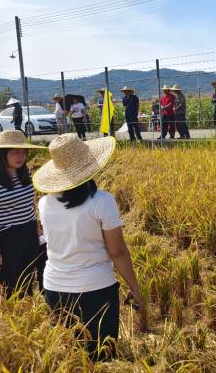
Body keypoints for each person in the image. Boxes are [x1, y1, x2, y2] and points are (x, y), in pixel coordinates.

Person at [33, 134, 145, 360]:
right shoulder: (102, 201)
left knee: (69, 357)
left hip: (55, 289)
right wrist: (134, 287)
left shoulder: (44, 202)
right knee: (101, 356)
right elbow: (118, 252)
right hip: (95, 290)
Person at [0, 131, 47, 298]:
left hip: (28, 234)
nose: (20, 157)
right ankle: (8, 319)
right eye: (14, 152)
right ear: (2, 154)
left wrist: (36, 230)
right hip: (5, 239)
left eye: (23, 152)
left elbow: (29, 205)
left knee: (26, 281)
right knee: (6, 286)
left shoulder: (24, 174)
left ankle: (27, 317)